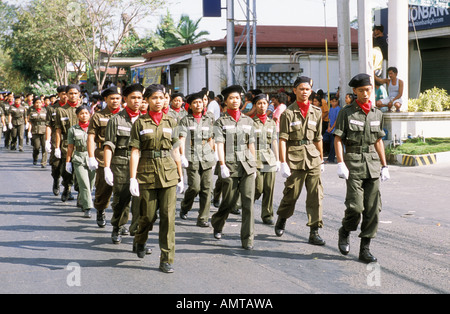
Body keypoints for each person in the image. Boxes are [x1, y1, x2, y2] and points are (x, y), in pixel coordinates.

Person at [333, 73, 390, 263]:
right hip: (354, 163)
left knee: (373, 209)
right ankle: (345, 230)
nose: (365, 94)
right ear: (355, 92)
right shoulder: (346, 112)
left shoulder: (377, 113)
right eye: (361, 91)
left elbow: (378, 141)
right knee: (355, 207)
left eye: (368, 90)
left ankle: (365, 248)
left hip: (373, 164)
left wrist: (384, 165)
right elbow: (338, 138)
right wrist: (341, 163)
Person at [128, 84, 184, 273]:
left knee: (169, 218)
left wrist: (180, 175)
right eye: (154, 98)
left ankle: (167, 258)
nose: (158, 101)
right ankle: (140, 239)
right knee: (148, 216)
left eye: (161, 98)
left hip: (169, 173)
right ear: (147, 100)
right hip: (146, 173)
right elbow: (135, 151)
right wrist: (133, 178)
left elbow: (175, 150)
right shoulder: (140, 123)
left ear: (165, 99)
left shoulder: (172, 121)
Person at [275, 76, 326, 246]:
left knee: (316, 195)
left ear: (311, 92)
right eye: (301, 89)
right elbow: (282, 139)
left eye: (307, 89)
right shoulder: (288, 113)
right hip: (294, 157)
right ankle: (282, 217)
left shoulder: (316, 112)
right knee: (291, 194)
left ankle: (314, 231)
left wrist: (321, 158)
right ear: (295, 90)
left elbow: (318, 138)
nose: (304, 92)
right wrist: (283, 162)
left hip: (313, 157)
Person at [211, 85, 257, 250]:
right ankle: (217, 222)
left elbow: (251, 143)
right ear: (225, 101)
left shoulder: (248, 121)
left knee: (248, 202)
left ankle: (247, 240)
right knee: (229, 202)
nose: (235, 101)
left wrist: (254, 165)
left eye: (237, 98)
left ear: (241, 100)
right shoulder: (220, 122)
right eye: (231, 98)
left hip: (247, 165)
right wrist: (222, 164)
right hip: (229, 164)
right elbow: (219, 144)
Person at [103, 83, 147, 246]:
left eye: (139, 98)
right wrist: (107, 167)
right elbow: (109, 145)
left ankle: (137, 234)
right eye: (133, 98)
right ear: (126, 99)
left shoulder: (146, 119)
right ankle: (117, 226)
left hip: (142, 164)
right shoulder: (116, 120)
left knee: (140, 202)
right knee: (121, 200)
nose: (137, 101)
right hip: (121, 164)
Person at [179, 92, 215, 227]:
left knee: (207, 188)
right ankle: (185, 206)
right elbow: (182, 139)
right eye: (195, 102)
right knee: (194, 187)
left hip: (206, 155)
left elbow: (211, 138)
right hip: (192, 154)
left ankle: (203, 218)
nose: (198, 104)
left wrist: (213, 152)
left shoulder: (208, 119)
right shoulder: (185, 120)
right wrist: (182, 155)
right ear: (190, 105)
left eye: (200, 102)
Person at [87, 86, 121, 228]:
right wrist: (91, 156)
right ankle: (100, 209)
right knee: (103, 187)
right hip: (102, 155)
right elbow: (91, 137)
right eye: (112, 98)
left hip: (121, 154)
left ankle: (120, 220)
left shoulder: (125, 115)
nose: (115, 101)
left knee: (122, 189)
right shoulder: (98, 116)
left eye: (117, 98)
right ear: (106, 100)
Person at [252, 94, 280, 225]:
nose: (262, 106)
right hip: (255, 156)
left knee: (269, 187)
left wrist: (278, 159)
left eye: (264, 103)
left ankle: (267, 214)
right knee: (258, 187)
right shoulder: (251, 122)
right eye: (259, 103)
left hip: (269, 157)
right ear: (255, 105)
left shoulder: (272, 122)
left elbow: (274, 141)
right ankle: (246, 203)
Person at [65, 105, 96, 218]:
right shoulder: (73, 130)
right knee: (84, 183)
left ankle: (83, 199)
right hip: (79, 157)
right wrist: (68, 162)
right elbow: (70, 147)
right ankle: (88, 207)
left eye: (86, 113)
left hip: (93, 157)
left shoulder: (94, 129)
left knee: (91, 184)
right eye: (81, 113)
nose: (84, 115)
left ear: (90, 114)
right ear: (77, 115)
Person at [54, 84, 82, 202]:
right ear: (66, 95)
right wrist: (57, 147)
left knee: (80, 170)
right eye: (70, 93)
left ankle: (81, 194)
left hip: (82, 144)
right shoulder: (60, 110)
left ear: (79, 95)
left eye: (75, 93)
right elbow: (58, 130)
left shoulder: (84, 109)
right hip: (66, 143)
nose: (73, 96)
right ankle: (67, 188)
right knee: (67, 170)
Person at [45, 85, 68, 196]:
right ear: (58, 95)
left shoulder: (73, 108)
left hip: (69, 139)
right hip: (55, 139)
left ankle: (67, 187)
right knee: (56, 164)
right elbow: (49, 125)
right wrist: (47, 141)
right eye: (63, 94)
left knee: (68, 165)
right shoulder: (52, 108)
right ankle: (56, 180)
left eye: (67, 93)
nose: (66, 96)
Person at [28, 97, 48, 167]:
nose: (38, 104)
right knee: (36, 147)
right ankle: (35, 158)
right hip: (35, 131)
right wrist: (29, 131)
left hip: (44, 130)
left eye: (39, 102)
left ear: (42, 103)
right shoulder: (32, 112)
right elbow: (30, 122)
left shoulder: (45, 111)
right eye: (36, 102)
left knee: (44, 147)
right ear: (34, 104)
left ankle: (43, 162)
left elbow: (48, 122)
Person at [323, 95, 340, 163]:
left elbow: (337, 120)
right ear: (330, 102)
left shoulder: (338, 109)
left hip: (335, 129)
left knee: (333, 145)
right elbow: (330, 119)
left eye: (335, 101)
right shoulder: (331, 109)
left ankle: (331, 159)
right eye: (333, 101)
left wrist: (332, 128)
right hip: (330, 129)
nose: (334, 103)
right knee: (323, 139)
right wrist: (328, 127)